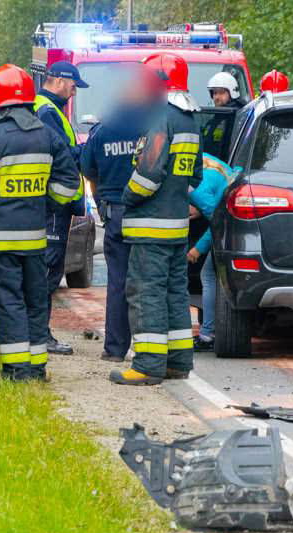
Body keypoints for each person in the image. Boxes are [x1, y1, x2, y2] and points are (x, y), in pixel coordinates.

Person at [0, 64, 80, 381]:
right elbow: (70, 181)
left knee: (8, 301)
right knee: (36, 301)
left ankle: (15, 370)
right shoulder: (49, 137)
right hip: (36, 239)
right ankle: (37, 368)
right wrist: (48, 207)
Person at [109, 53, 203, 386]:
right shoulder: (190, 119)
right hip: (177, 227)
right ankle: (178, 362)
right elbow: (196, 177)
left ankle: (148, 365)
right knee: (175, 294)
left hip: (150, 227)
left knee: (146, 292)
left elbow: (148, 174)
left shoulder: (162, 118)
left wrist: (127, 198)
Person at [81, 80, 157, 363]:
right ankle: (149, 350)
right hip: (146, 211)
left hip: (114, 212)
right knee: (148, 281)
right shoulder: (150, 127)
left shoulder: (102, 131)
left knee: (117, 282)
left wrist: (102, 201)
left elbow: (88, 169)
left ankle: (114, 349)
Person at [34, 61, 87, 355]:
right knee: (48, 270)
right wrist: (84, 150)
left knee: (47, 269)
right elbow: (62, 155)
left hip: (54, 202)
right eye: (73, 84)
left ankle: (38, 333)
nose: (74, 91)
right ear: (58, 80)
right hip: (55, 203)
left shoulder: (47, 109)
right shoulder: (47, 111)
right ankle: (40, 335)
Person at [186, 153, 237, 352]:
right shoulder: (197, 161)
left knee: (207, 276)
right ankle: (210, 329)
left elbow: (217, 221)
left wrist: (198, 249)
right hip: (229, 203)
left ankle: (208, 334)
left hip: (229, 221)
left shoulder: (196, 190)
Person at [201, 71, 243, 153]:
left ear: (232, 93)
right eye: (215, 93)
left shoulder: (236, 117)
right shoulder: (216, 118)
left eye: (221, 92)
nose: (216, 97)